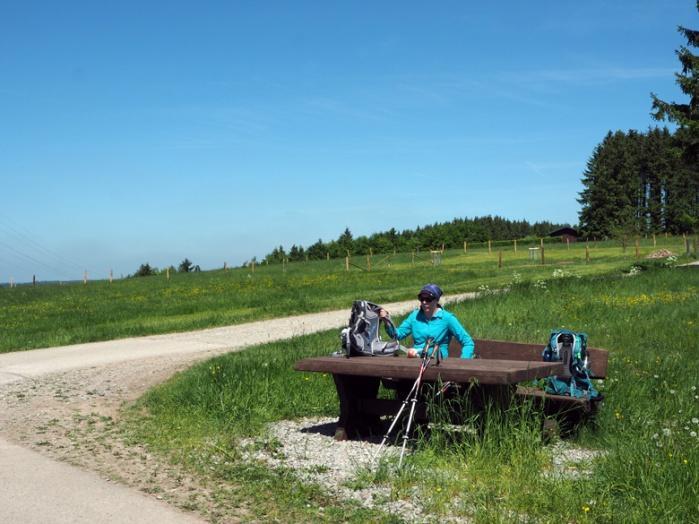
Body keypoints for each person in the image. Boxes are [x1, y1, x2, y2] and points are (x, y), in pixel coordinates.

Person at [379, 283, 475, 359]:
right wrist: (387, 321)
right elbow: (397, 335)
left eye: (428, 299)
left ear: (436, 300)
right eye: (422, 298)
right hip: (415, 361)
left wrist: (463, 363)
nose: (424, 302)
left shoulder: (447, 318)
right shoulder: (414, 316)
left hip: (437, 363)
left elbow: (468, 342)